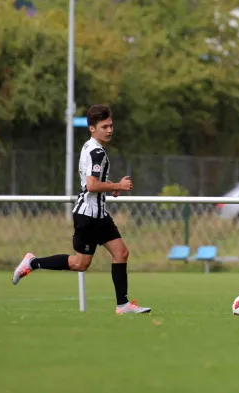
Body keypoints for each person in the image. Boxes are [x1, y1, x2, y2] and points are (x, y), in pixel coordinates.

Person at [11, 104, 151, 315]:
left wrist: (110, 186)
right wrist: (118, 186)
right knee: (79, 264)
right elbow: (92, 185)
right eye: (104, 126)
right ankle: (32, 262)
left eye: (111, 125)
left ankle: (122, 305)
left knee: (121, 253)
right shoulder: (96, 152)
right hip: (88, 217)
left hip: (99, 215)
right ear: (92, 128)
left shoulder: (90, 147)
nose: (110, 130)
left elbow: (93, 183)